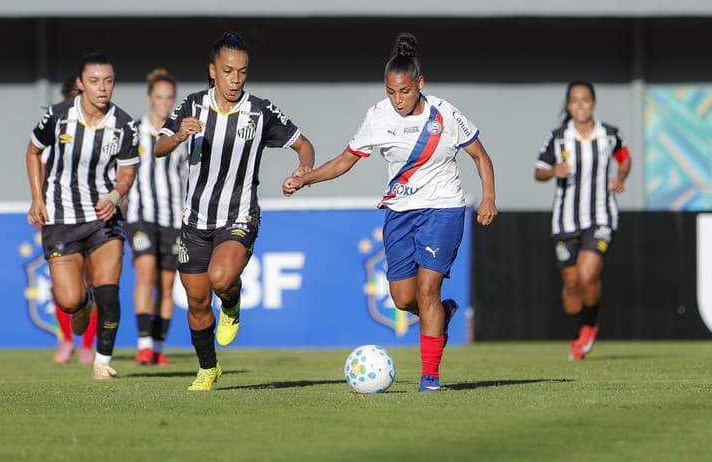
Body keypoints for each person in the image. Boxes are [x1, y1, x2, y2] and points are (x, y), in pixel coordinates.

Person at [283, 33, 497, 393]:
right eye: (391, 91)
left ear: (420, 84)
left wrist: (489, 196)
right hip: (399, 212)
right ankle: (441, 315)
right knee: (402, 298)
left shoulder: (445, 114)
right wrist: (308, 180)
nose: (398, 99)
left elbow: (481, 155)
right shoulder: (378, 117)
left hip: (443, 208)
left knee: (428, 288)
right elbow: (345, 160)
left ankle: (430, 376)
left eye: (405, 91)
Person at [155, 32, 315, 391]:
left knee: (221, 278)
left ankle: (231, 300)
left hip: (239, 214)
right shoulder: (191, 106)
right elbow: (159, 148)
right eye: (228, 71)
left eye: (242, 72)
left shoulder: (260, 111)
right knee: (196, 302)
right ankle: (208, 369)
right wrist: (179, 136)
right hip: (195, 221)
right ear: (213, 71)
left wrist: (302, 171)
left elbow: (304, 145)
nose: (236, 79)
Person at [26, 53, 139, 380]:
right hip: (61, 218)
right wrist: (36, 199)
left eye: (108, 81)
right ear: (80, 84)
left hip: (103, 218)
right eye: (94, 81)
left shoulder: (124, 124)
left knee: (109, 289)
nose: (102, 88)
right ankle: (82, 303)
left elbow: (128, 173)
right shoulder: (58, 117)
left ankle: (102, 361)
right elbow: (33, 151)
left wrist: (115, 195)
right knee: (69, 300)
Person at [535, 80, 631, 361]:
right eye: (575, 100)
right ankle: (578, 337)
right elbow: (539, 170)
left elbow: (625, 158)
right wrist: (554, 171)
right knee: (572, 282)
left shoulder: (610, 135)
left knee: (589, 274)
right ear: (569, 106)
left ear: (594, 104)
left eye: (585, 100)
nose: (580, 105)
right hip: (565, 222)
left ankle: (590, 326)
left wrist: (621, 178)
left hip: (601, 216)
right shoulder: (558, 137)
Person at [125, 68, 187, 366]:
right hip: (140, 214)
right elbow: (121, 171)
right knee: (145, 274)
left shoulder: (181, 135)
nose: (164, 102)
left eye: (169, 98)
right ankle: (144, 344)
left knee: (166, 285)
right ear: (150, 98)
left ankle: (158, 346)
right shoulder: (134, 131)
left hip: (174, 218)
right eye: (159, 97)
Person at [48, 76, 99, 366]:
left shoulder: (104, 130)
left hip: (93, 218)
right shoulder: (54, 131)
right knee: (64, 287)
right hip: (61, 218)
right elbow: (42, 168)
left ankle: (87, 346)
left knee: (93, 284)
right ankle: (66, 340)